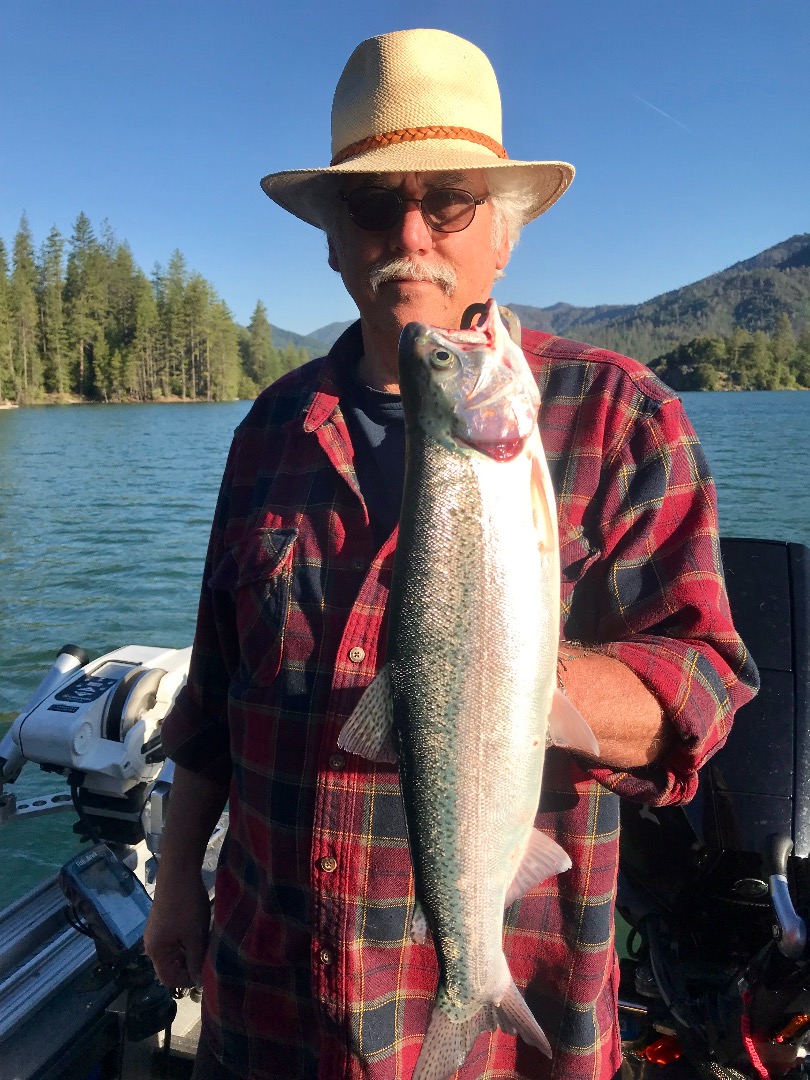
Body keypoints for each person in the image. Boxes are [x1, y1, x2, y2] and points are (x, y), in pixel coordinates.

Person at [143, 28, 758, 1080]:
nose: (410, 236)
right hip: (263, 1003)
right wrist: (174, 884)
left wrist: (492, 684)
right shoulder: (268, 432)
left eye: (450, 202)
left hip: (511, 1026)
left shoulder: (622, 418)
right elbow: (213, 695)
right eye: (374, 207)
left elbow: (701, 683)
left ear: (504, 236)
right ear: (334, 241)